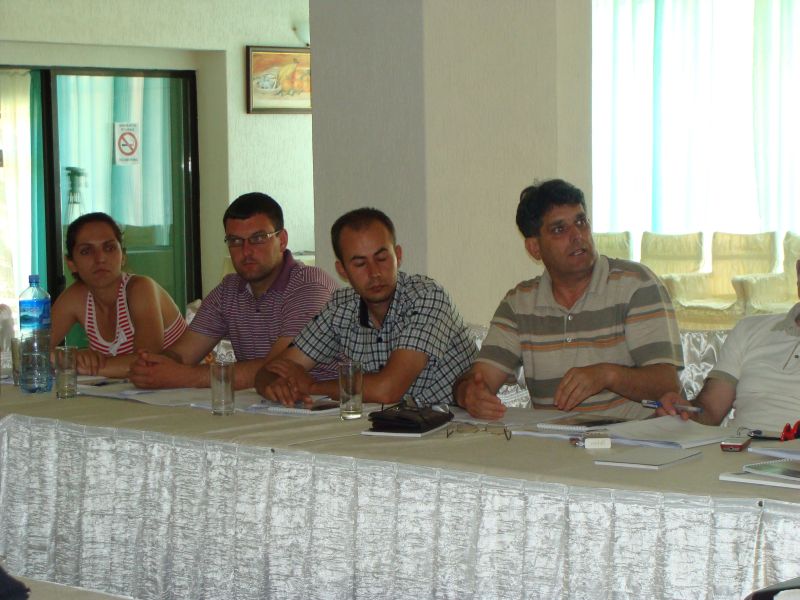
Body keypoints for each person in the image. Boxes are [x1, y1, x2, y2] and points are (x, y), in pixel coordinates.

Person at [455, 178, 683, 420]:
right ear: (534, 248)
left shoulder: (636, 284)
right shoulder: (519, 303)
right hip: (554, 441)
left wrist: (608, 375)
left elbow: (667, 384)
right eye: (559, 229)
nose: (577, 236)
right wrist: (468, 395)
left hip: (634, 438)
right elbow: (480, 379)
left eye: (581, 222)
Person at [254, 208, 476, 407]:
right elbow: (270, 370)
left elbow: (387, 390)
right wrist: (274, 385)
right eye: (360, 263)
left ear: (398, 256)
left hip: (456, 425)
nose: (374, 272)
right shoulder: (341, 307)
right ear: (342, 270)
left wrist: (312, 386)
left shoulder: (427, 296)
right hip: (390, 425)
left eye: (382, 258)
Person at [129, 192, 338, 390]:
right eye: (235, 241)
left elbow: (277, 368)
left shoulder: (310, 287)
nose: (246, 251)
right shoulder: (228, 290)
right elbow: (183, 354)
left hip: (323, 404)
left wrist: (183, 376)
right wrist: (155, 365)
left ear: (282, 240)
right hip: (260, 404)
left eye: (258, 238)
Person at [657, 258, 800, 431]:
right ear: (798, 271)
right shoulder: (749, 329)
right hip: (740, 444)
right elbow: (709, 411)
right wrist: (684, 411)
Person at [50, 212, 187, 378]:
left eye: (109, 248)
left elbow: (147, 363)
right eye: (86, 251)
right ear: (71, 264)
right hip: (131, 391)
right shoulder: (76, 298)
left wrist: (76, 365)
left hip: (188, 390)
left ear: (123, 257)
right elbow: (32, 351)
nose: (100, 258)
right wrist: (70, 357)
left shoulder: (141, 289)